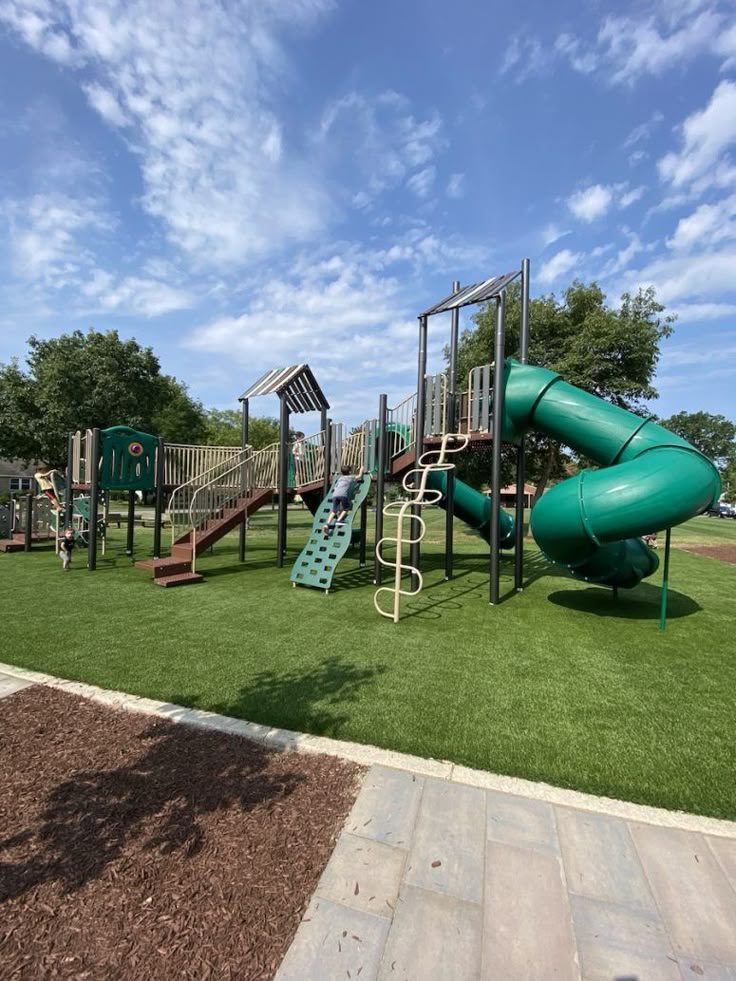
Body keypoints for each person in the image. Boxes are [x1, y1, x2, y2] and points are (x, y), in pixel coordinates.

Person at [323, 465, 365, 533]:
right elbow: (359, 476)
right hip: (343, 495)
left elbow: (336, 486)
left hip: (334, 495)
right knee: (347, 508)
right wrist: (361, 470)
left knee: (334, 511)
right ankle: (339, 520)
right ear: (350, 472)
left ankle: (327, 524)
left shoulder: (340, 478)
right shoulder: (350, 477)